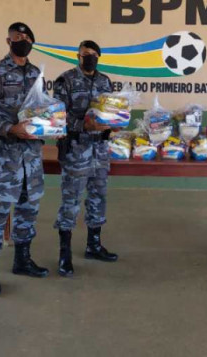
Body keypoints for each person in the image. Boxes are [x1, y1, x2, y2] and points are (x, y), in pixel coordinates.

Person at [0, 22, 48, 297]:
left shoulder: (36, 73)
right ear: (8, 41)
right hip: (4, 156)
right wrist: (10, 128)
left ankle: (22, 260)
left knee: (29, 209)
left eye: (27, 37)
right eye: (18, 37)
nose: (23, 40)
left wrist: (52, 123)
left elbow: (42, 106)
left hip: (31, 156)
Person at [52, 40, 118, 278]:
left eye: (93, 55)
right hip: (75, 149)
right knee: (71, 200)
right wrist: (83, 124)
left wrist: (114, 124)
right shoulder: (65, 80)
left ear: (98, 57)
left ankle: (94, 245)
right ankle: (64, 255)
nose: (88, 58)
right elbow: (57, 115)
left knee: (98, 197)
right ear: (77, 56)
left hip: (100, 149)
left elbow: (110, 110)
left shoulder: (105, 81)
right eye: (84, 54)